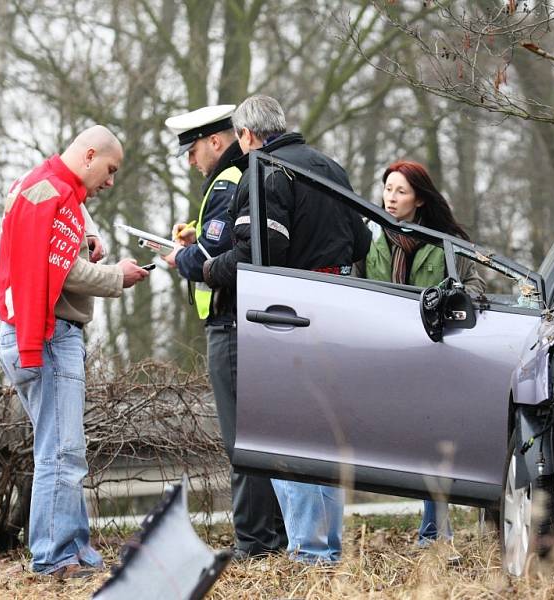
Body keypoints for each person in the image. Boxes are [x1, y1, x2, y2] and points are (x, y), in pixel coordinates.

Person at [202, 95, 371, 563]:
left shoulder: (263, 171)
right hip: (340, 307)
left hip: (292, 315)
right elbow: (361, 239)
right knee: (322, 437)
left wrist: (210, 269)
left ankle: (308, 550)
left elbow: (261, 251)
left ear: (248, 136)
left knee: (285, 437)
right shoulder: (329, 167)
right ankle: (326, 547)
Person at [0, 126, 150, 579]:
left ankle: (75, 549)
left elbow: (51, 250)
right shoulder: (52, 192)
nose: (110, 181)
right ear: (90, 155)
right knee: (61, 452)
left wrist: (86, 238)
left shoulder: (42, 186)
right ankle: (55, 558)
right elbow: (55, 267)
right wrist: (117, 276)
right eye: (110, 170)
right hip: (48, 335)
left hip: (33, 330)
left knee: (62, 448)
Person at [162, 105, 287, 560]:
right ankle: (271, 535)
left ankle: (256, 542)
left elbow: (215, 257)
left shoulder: (228, 179)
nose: (193, 160)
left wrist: (181, 258)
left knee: (242, 439)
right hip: (245, 320)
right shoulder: (244, 174)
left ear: (217, 141)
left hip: (231, 324)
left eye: (193, 150)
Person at [356, 160, 484, 546]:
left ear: (419, 200)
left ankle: (434, 532)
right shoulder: (370, 238)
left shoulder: (447, 242)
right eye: (388, 189)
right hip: (385, 353)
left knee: (435, 438)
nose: (390, 198)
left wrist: (448, 304)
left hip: (434, 353)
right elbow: (355, 287)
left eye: (401, 192)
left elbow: (475, 288)